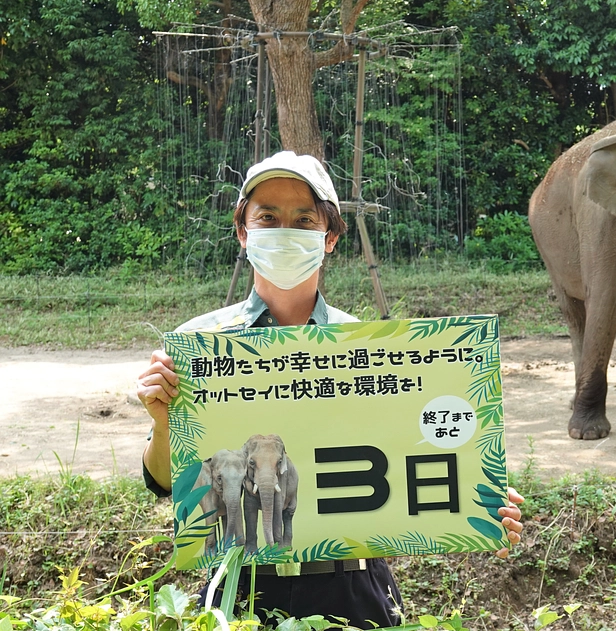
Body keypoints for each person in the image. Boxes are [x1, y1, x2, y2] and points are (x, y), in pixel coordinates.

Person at [137, 151, 524, 629]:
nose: (285, 231)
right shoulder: (198, 346)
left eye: (304, 220)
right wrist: (163, 422)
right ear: (242, 231)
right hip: (239, 586)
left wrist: (477, 493)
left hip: (352, 588)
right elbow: (166, 483)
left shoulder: (369, 346)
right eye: (267, 217)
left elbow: (408, 450)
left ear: (331, 237)